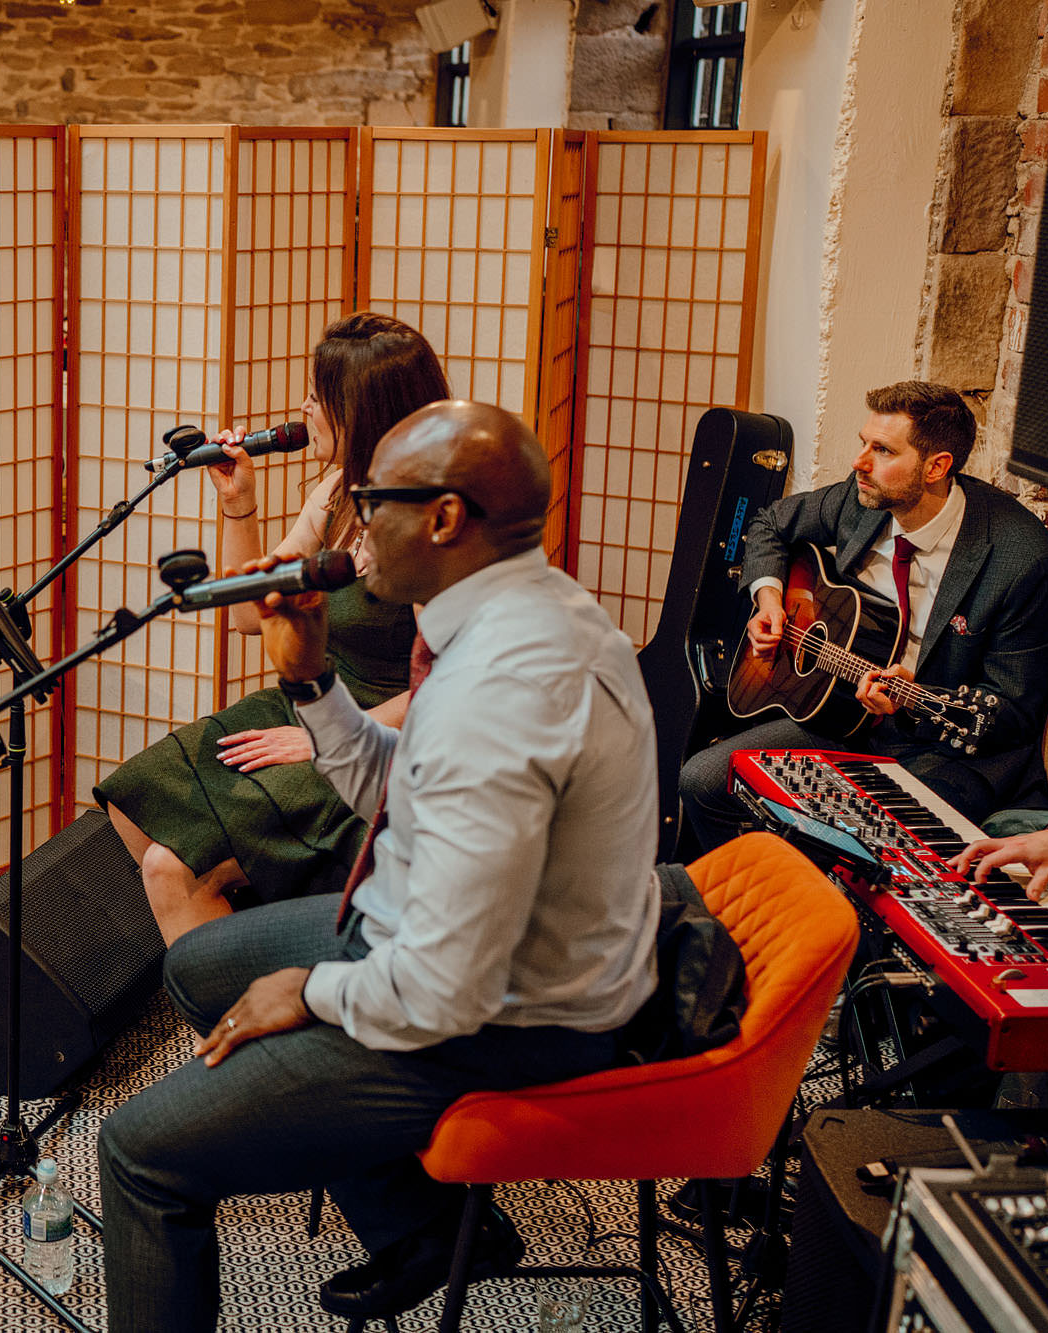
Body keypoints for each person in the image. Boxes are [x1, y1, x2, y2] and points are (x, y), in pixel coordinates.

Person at [96, 401, 661, 1332]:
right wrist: (313, 681)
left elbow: (446, 990)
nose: (358, 522)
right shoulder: (519, 607)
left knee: (137, 1150)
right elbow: (408, 792)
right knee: (199, 965)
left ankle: (395, 1178)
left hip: (509, 1014)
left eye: (374, 500)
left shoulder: (508, 682)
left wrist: (314, 990)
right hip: (450, 939)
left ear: (444, 519)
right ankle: (428, 1223)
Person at [95, 312, 445, 944]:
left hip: (385, 731)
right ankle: (238, 966)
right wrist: (238, 503)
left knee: (172, 867)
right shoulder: (341, 487)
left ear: (359, 411)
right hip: (313, 700)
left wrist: (328, 740)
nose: (302, 406)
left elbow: (447, 688)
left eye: (318, 396)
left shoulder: (423, 525)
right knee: (132, 799)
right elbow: (246, 618)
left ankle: (231, 1021)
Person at [679, 382, 1048, 852]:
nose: (860, 462)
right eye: (864, 443)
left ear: (937, 466)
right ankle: (756, 911)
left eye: (881, 450)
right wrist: (770, 599)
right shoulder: (861, 499)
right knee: (701, 781)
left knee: (853, 837)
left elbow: (1012, 712)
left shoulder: (1021, 560)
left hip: (944, 749)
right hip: (838, 709)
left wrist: (915, 699)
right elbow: (770, 524)